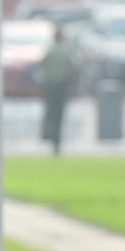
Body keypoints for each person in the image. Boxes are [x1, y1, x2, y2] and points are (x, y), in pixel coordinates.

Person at [40, 25, 77, 155]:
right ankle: (56, 140)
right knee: (59, 114)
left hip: (51, 86)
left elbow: (42, 67)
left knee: (50, 113)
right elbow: (72, 70)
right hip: (61, 85)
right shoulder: (65, 53)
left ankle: (49, 136)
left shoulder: (50, 52)